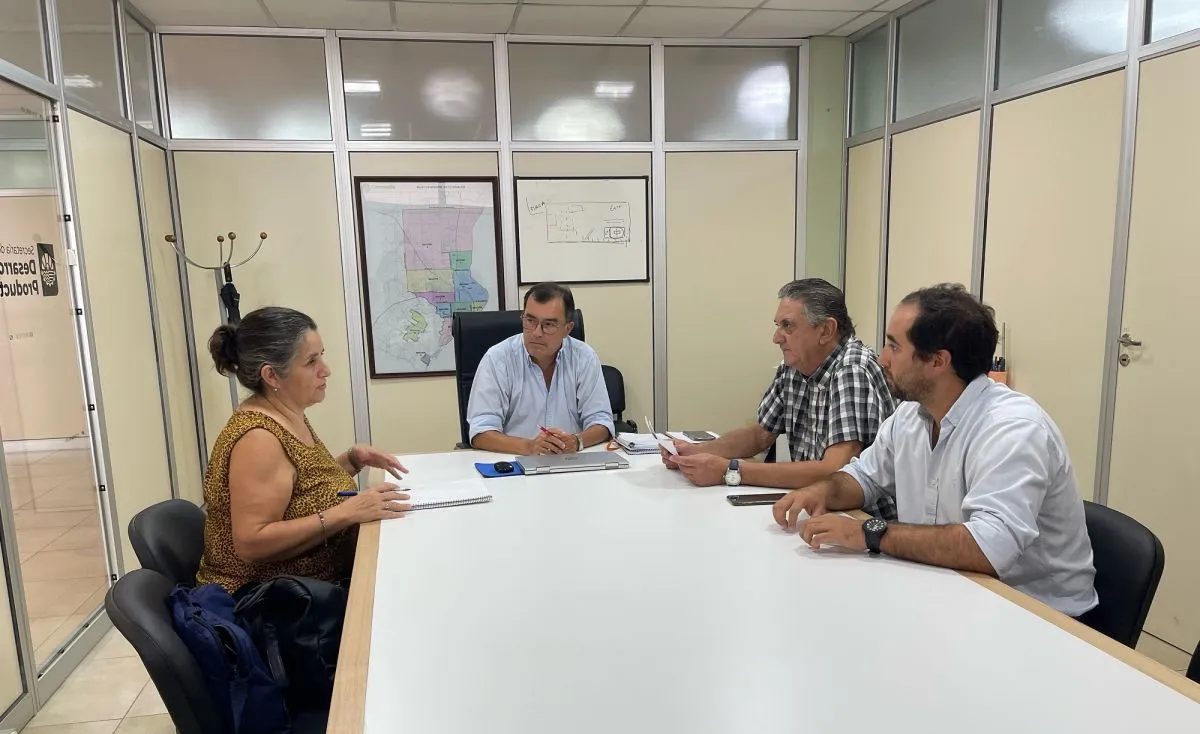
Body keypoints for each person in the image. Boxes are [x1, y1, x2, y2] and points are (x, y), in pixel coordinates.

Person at [773, 284, 1097, 617]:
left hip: (1037, 616)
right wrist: (821, 491)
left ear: (938, 361)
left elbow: (988, 547)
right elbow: (863, 478)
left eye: (894, 347)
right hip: (948, 593)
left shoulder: (1013, 428)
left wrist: (869, 533)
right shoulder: (911, 415)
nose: (882, 359)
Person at [196, 306, 410, 592]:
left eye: (322, 356)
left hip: (313, 584)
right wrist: (346, 513)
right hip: (270, 600)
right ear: (272, 376)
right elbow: (251, 542)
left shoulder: (286, 414)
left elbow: (300, 488)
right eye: (311, 362)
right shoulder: (258, 439)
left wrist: (351, 460)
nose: (326, 370)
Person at [663, 278, 898, 520]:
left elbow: (835, 470)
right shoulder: (794, 365)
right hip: (817, 506)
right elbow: (760, 434)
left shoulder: (852, 370)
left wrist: (730, 470)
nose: (777, 338)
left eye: (788, 326)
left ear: (826, 330)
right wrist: (694, 453)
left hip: (862, 519)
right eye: (778, 325)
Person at [467, 282, 614, 455]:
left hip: (570, 461)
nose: (537, 332)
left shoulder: (584, 357)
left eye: (548, 324)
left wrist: (576, 441)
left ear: (567, 329)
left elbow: (602, 422)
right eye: (530, 321)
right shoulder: (498, 359)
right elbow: (481, 433)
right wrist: (530, 447)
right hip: (515, 462)